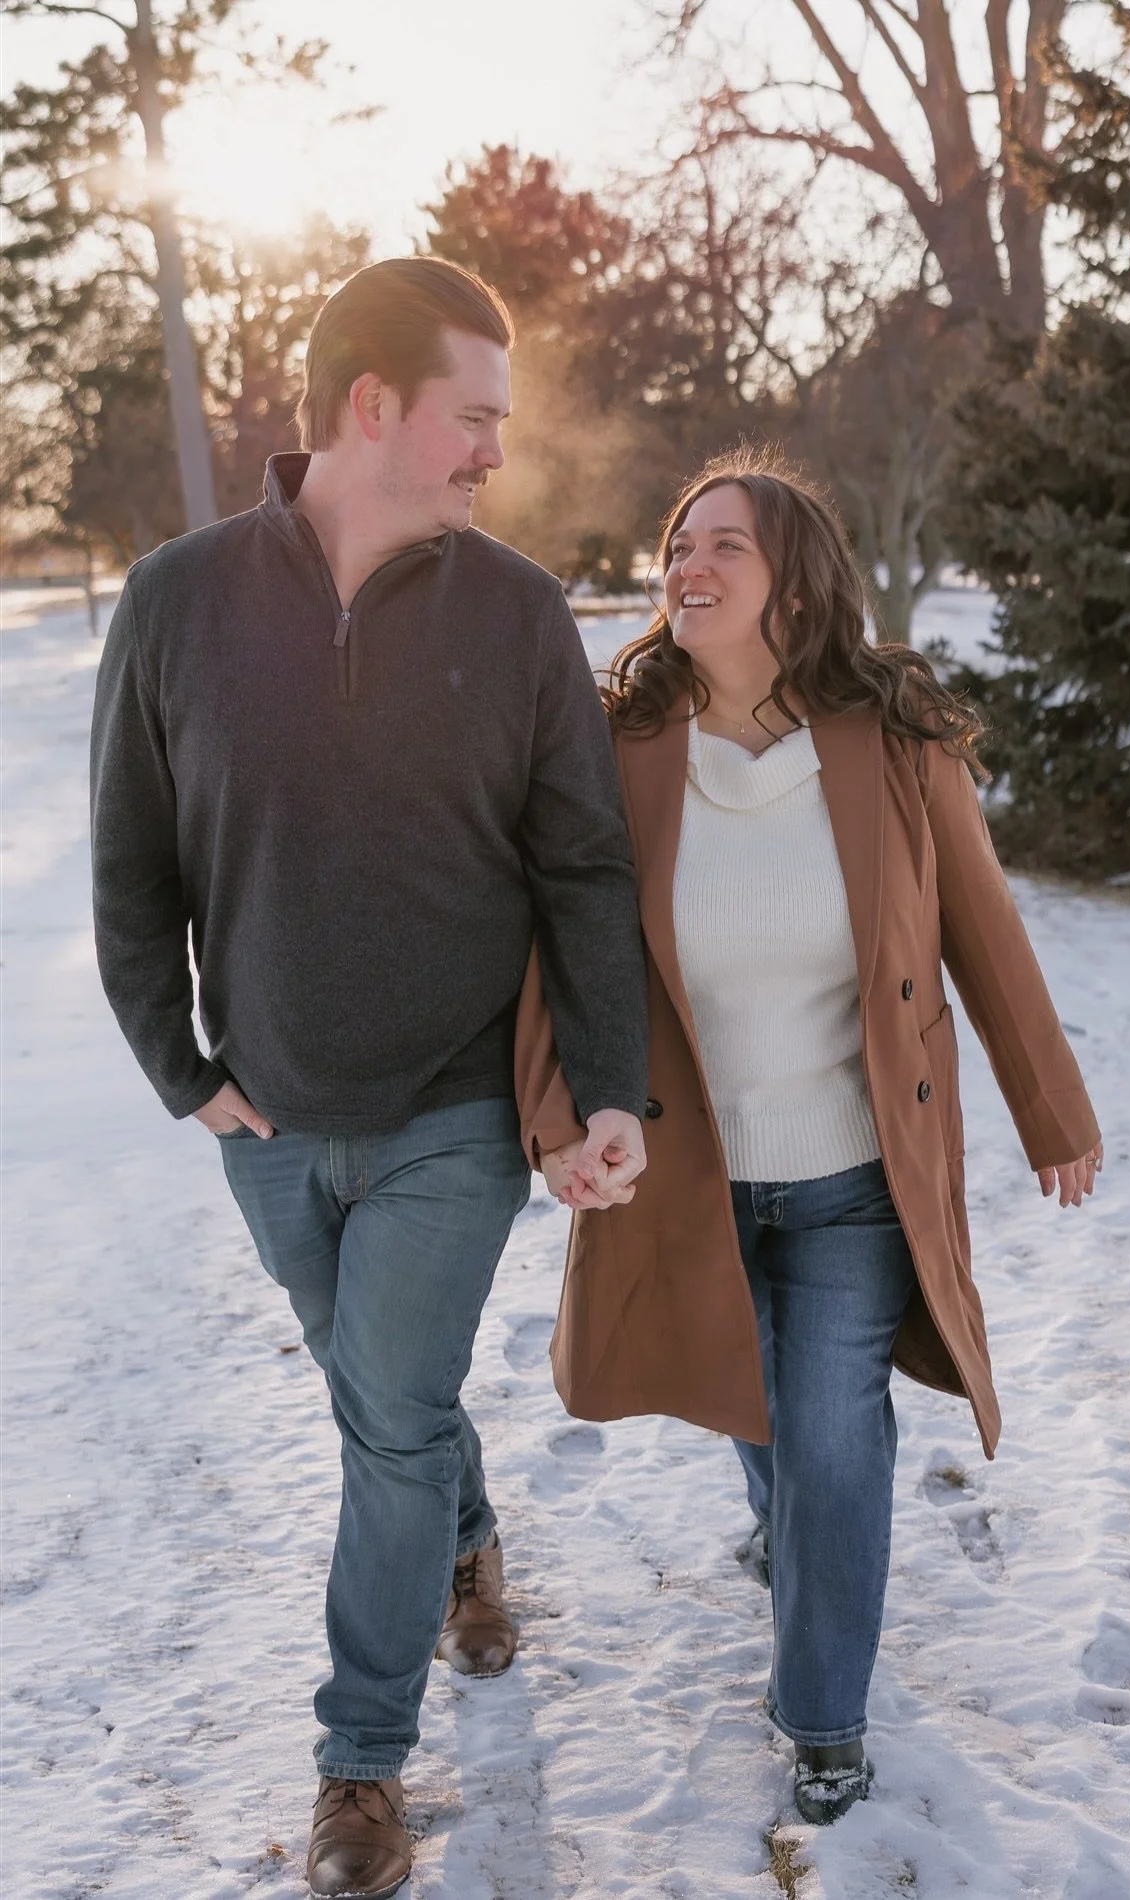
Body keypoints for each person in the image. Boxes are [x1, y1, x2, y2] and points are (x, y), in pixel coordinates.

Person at [90, 256, 649, 1900]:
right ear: (370, 407)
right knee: (385, 1403)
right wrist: (178, 1069)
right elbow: (131, 859)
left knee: (386, 1420)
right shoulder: (178, 599)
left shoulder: (519, 609)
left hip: (455, 1109)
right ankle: (468, 1546)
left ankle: (357, 1765)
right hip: (264, 1115)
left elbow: (585, 869)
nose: (494, 452)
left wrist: (607, 1084)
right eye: (475, 418)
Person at [516, 452, 1101, 1827]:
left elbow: (984, 930)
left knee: (833, 1430)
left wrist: (1052, 1109)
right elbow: (561, 950)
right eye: (678, 547)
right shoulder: (622, 751)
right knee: (753, 1394)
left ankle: (823, 1711)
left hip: (852, 1174)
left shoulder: (893, 739)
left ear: (795, 582)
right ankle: (792, 1536)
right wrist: (556, 1119)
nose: (688, 567)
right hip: (694, 1174)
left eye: (724, 545)